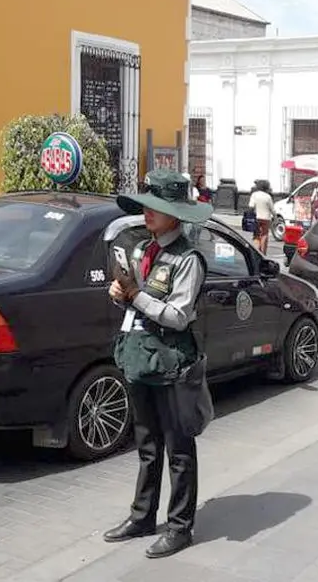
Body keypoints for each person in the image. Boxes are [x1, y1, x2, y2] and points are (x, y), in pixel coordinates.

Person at [103, 170, 213, 558]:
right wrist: (120, 293)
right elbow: (136, 300)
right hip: (141, 356)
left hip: (172, 362)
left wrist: (135, 295)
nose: (147, 212)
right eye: (146, 206)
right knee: (147, 443)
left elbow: (178, 316)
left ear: (175, 215)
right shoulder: (143, 250)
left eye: (156, 207)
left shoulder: (188, 259)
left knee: (178, 449)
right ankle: (142, 517)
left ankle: (180, 527)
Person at [248, 180, 274, 254]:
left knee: (256, 235)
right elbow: (272, 209)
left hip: (256, 218)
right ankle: (263, 252)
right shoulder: (268, 196)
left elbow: (251, 206)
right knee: (264, 235)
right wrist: (275, 218)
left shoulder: (254, 195)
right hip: (266, 218)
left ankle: (257, 251)